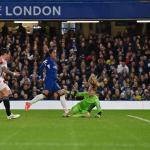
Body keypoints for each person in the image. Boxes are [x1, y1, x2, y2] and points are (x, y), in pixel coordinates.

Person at [25, 48, 68, 114]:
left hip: (54, 81)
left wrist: (57, 77)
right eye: (54, 53)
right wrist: (42, 77)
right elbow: (41, 68)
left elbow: (52, 72)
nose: (55, 54)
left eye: (55, 53)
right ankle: (29, 103)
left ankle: (66, 112)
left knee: (61, 93)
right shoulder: (47, 60)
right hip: (49, 80)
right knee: (46, 94)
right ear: (50, 54)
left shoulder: (54, 62)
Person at [0, 48, 20, 119]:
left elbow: (2, 71)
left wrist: (3, 79)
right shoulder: (2, 59)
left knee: (3, 96)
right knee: (6, 94)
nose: (9, 56)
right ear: (5, 54)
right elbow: (5, 70)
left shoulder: (3, 60)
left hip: (1, 79)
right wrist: (14, 74)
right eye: (9, 54)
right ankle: (9, 115)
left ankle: (9, 114)